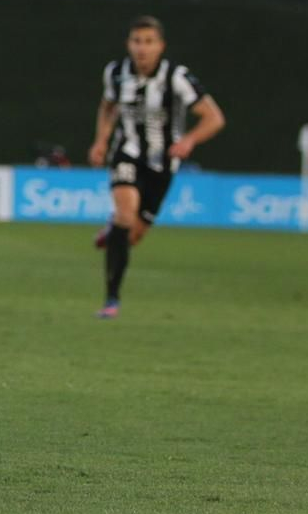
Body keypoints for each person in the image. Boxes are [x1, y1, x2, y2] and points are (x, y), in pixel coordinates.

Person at [86, 16, 225, 319]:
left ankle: (114, 232)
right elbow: (108, 106)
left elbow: (214, 117)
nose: (142, 49)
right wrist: (101, 141)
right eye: (137, 41)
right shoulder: (116, 73)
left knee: (132, 236)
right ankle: (112, 300)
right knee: (125, 213)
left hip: (163, 164)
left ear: (160, 46)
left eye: (149, 42)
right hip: (127, 153)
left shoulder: (177, 77)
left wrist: (189, 141)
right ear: (129, 44)